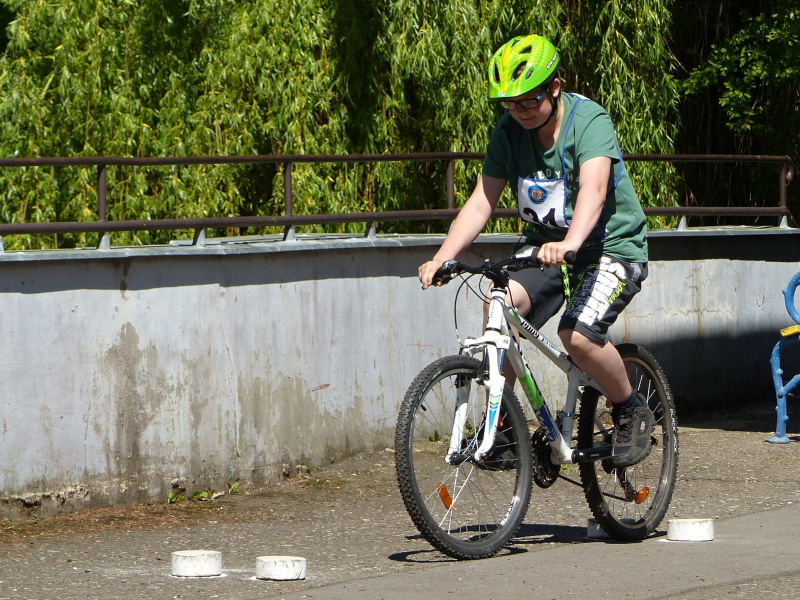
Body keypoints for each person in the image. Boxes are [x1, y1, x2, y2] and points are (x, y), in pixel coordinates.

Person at [418, 34, 652, 468]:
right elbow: (481, 201)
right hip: (546, 248)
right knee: (500, 303)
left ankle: (629, 408)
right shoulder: (508, 132)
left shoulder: (589, 121)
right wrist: (442, 256)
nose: (521, 111)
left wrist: (571, 243)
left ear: (555, 87)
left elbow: (595, 189)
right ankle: (503, 427)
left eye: (530, 100)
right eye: (511, 104)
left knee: (577, 336)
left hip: (609, 247)